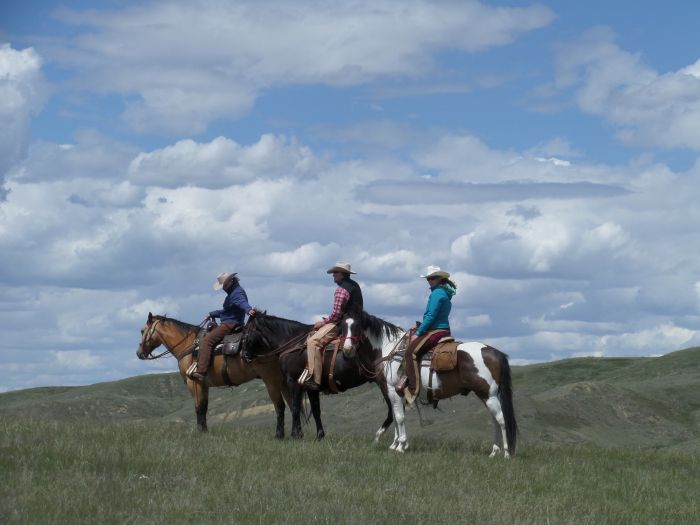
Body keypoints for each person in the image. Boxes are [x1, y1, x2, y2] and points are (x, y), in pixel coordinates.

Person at [298, 261, 363, 390]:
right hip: (357, 322)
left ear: (342, 274)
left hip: (343, 323)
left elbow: (336, 315)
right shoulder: (355, 285)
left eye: (335, 273)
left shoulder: (341, 290)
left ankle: (314, 379)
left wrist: (322, 323)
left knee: (313, 342)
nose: (333, 275)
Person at [397, 265, 456, 404]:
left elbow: (431, 316)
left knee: (410, 352)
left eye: (432, 278)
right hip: (442, 328)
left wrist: (418, 333)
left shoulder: (437, 293)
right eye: (428, 278)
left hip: (436, 330)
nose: (429, 280)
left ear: (440, 279)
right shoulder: (444, 293)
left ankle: (412, 390)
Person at [189, 271, 255, 382]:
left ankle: (201, 372)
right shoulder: (233, 291)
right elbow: (227, 312)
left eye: (224, 285)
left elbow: (241, 302)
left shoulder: (236, 293)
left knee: (207, 341)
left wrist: (248, 310)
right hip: (231, 321)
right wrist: (212, 313)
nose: (223, 288)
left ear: (230, 281)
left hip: (230, 324)